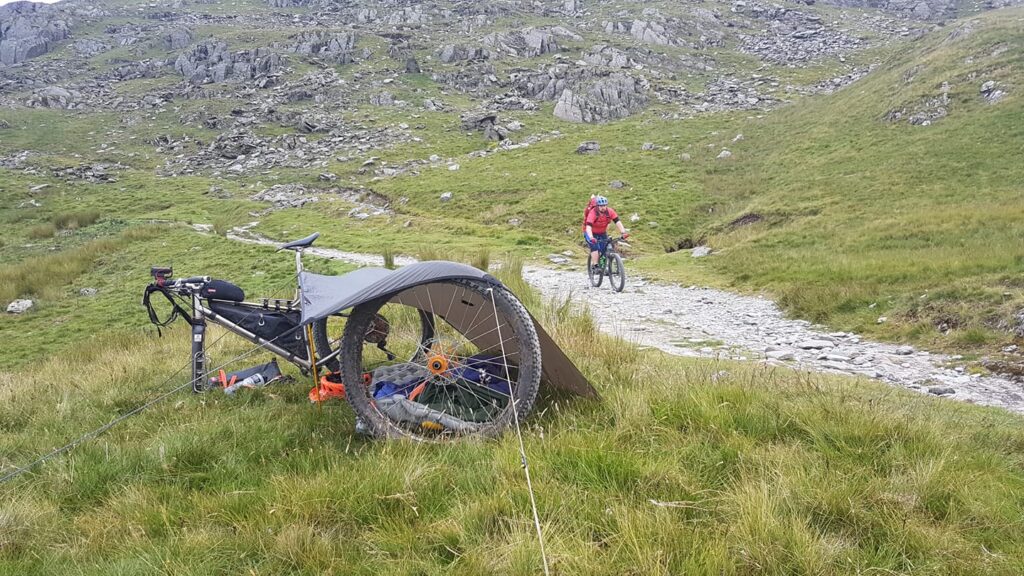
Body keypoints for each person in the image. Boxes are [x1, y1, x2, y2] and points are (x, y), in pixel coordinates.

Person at [583, 195, 628, 273]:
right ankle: (595, 266)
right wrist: (591, 237)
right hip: (590, 232)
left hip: (602, 232)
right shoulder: (593, 213)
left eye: (604, 205)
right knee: (594, 246)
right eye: (601, 206)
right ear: (597, 206)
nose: (603, 207)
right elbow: (588, 227)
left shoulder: (610, 211)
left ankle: (603, 267)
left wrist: (623, 232)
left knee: (605, 248)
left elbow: (617, 221)